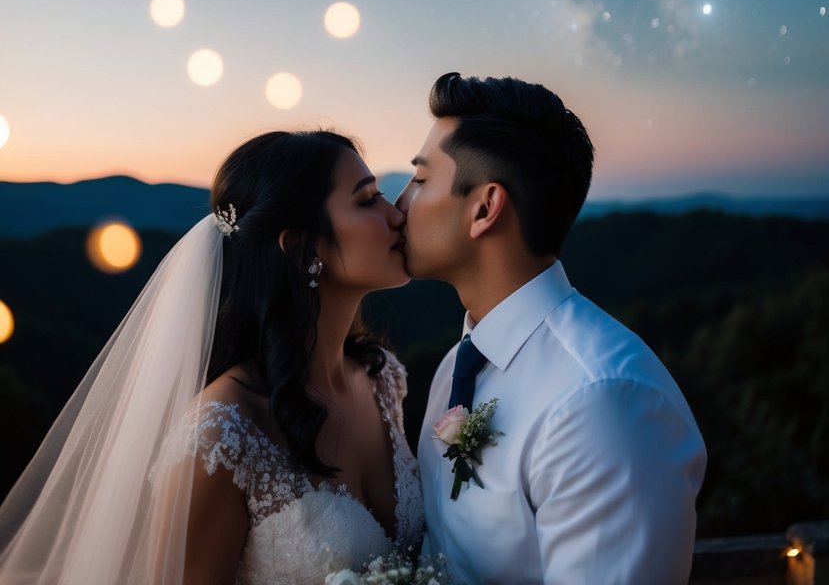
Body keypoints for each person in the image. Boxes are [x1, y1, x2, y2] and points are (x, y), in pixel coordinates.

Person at [0, 129, 423, 585]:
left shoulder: (380, 377)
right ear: (301, 248)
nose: (397, 214)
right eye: (368, 199)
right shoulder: (221, 436)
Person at [397, 73, 706, 585]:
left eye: (421, 180)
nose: (399, 204)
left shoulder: (603, 401)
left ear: (484, 207)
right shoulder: (459, 363)